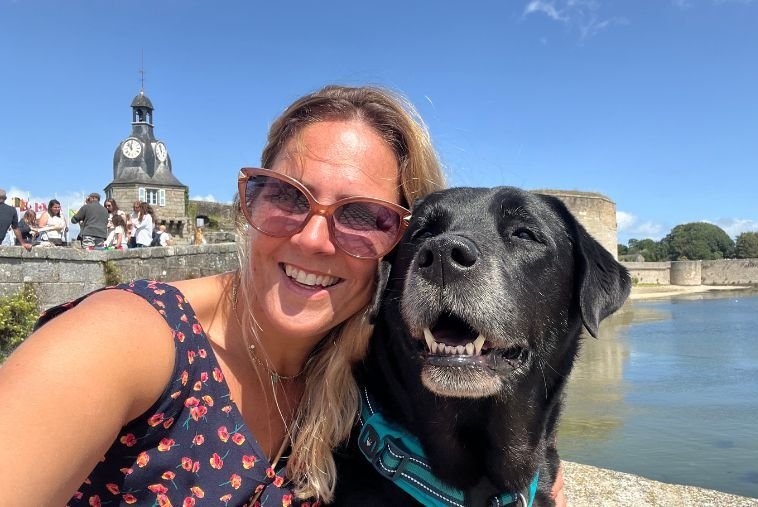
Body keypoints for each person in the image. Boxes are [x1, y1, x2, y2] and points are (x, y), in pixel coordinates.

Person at [0, 85, 448, 506]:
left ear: (405, 245)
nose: (313, 240)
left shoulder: (369, 378)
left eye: (363, 215)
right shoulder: (123, 339)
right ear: (247, 204)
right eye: (289, 197)